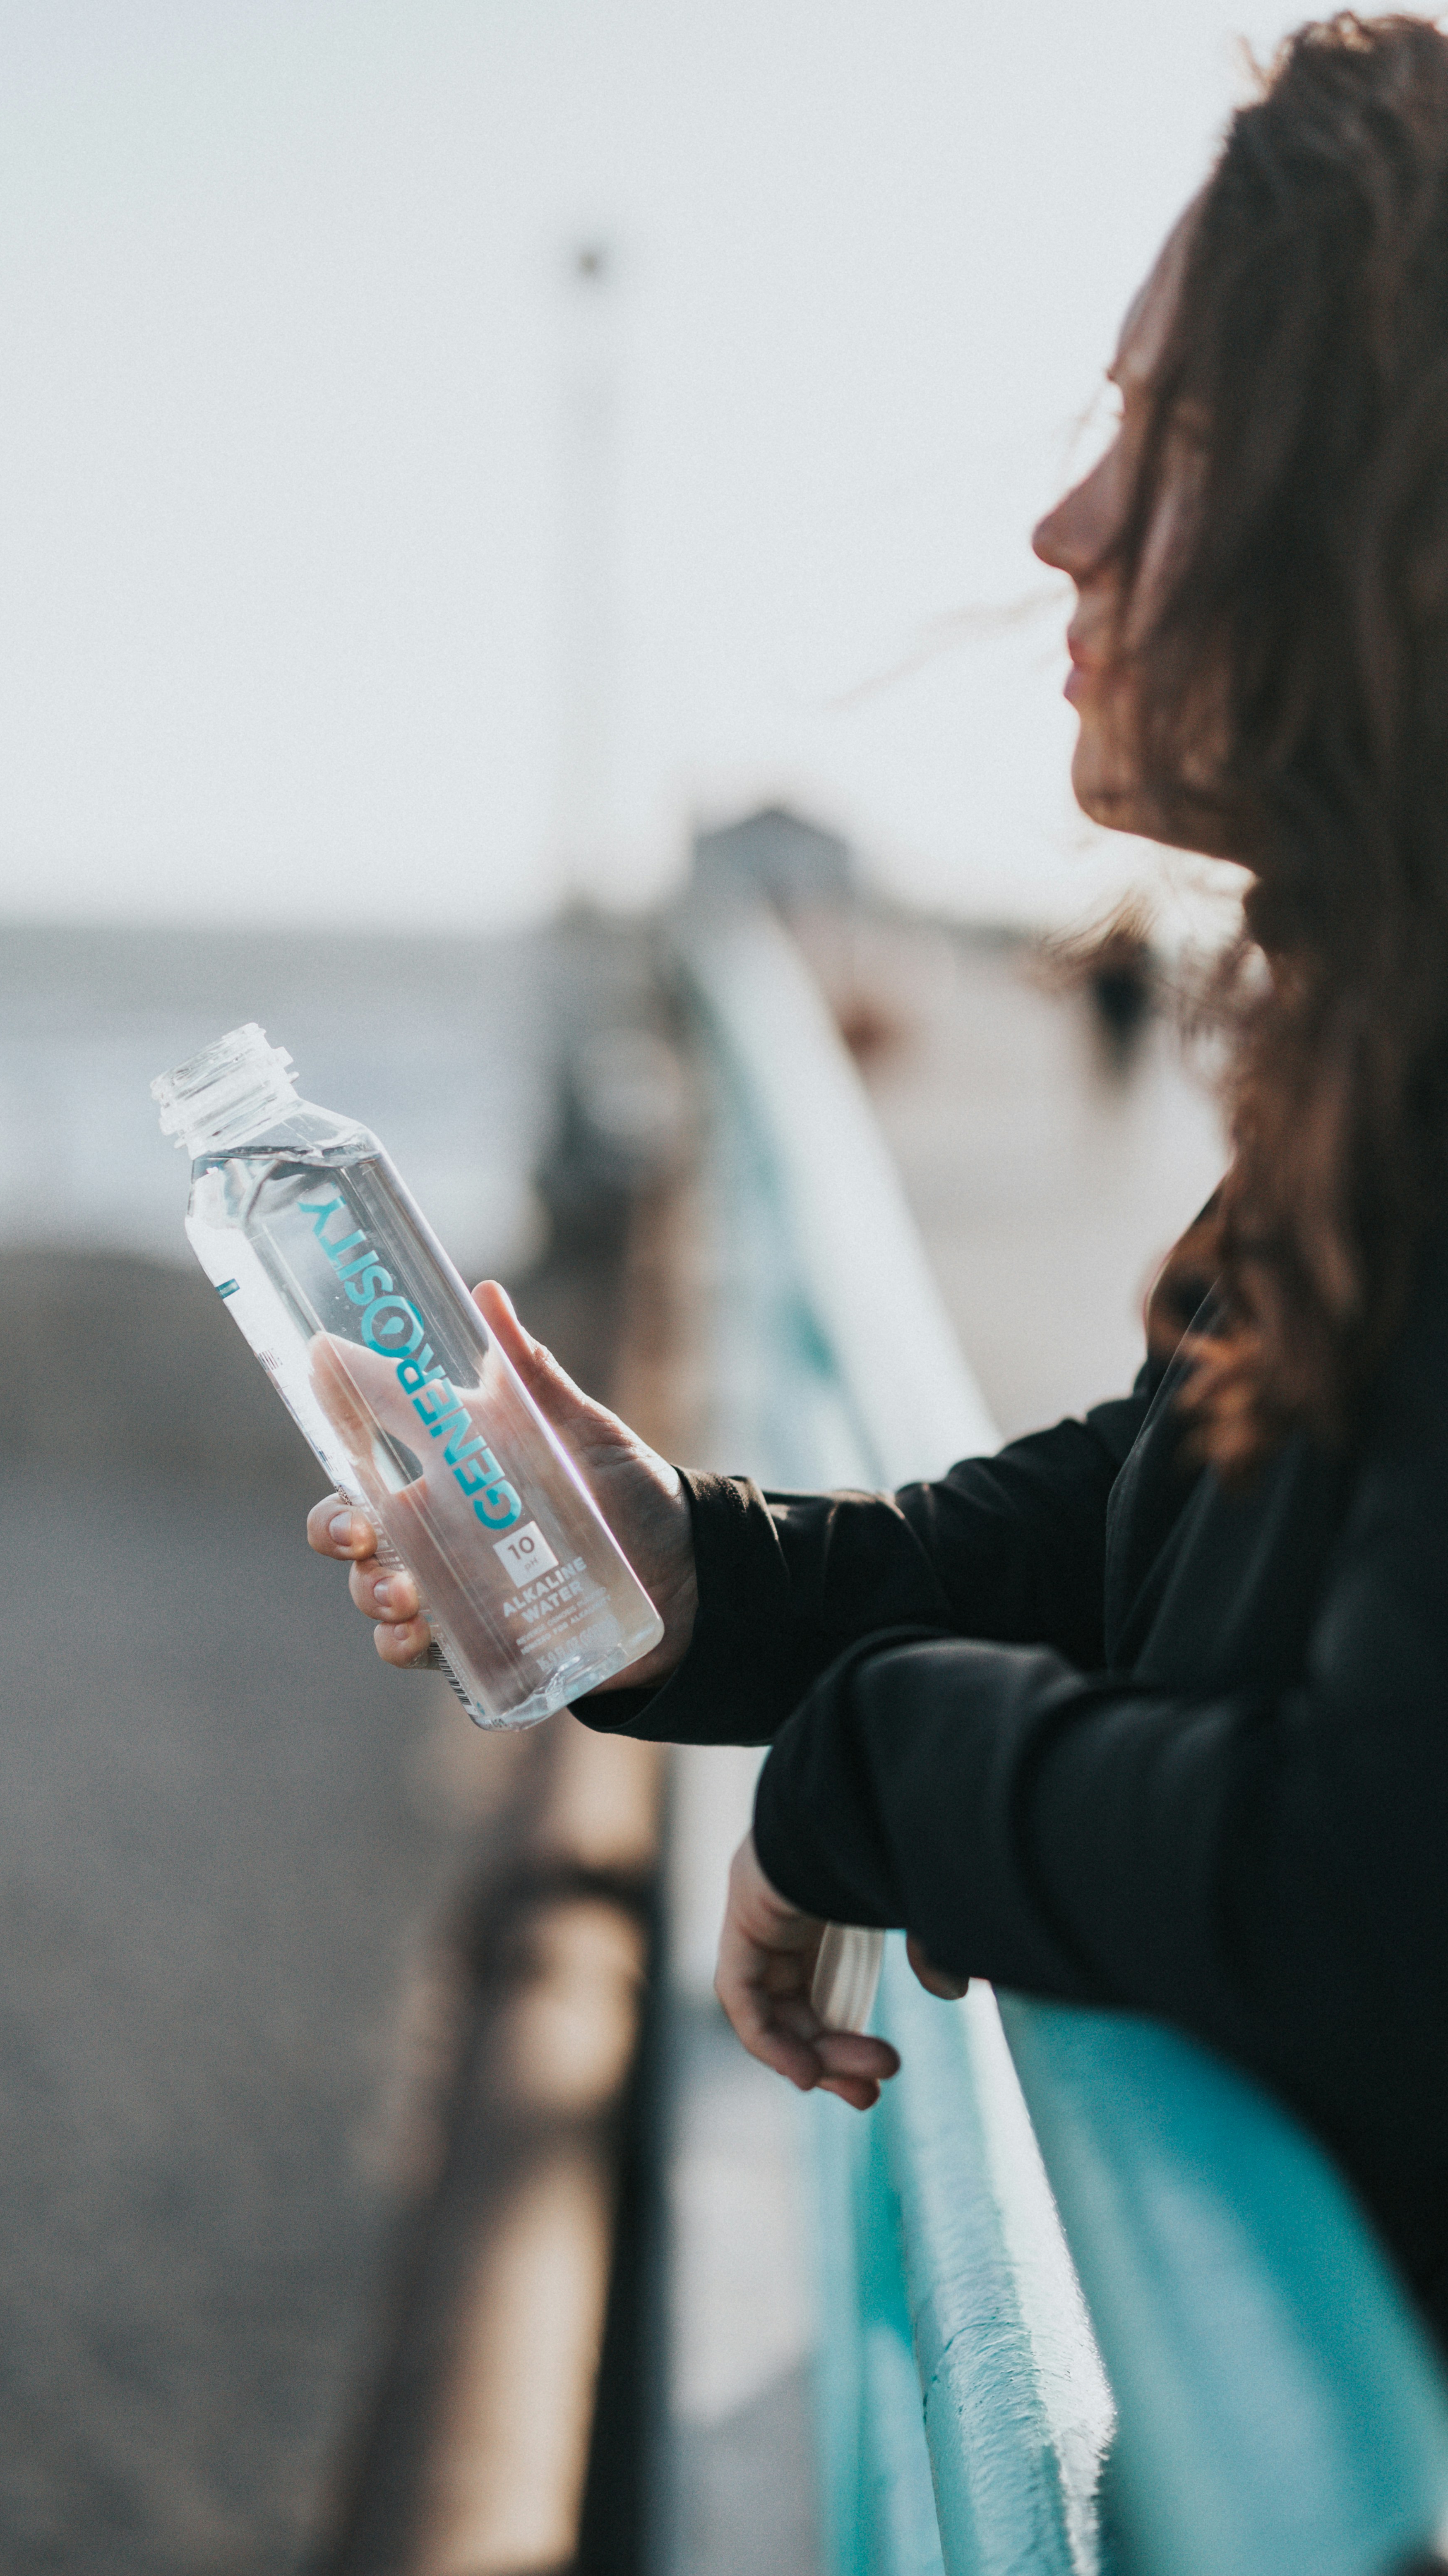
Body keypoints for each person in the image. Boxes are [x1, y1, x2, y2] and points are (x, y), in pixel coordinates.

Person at [310, 12, 1448, 2349]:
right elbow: (1161, 1511)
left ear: (1389, 525)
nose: (1065, 525)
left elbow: (1375, 1880)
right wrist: (693, 1577)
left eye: (1177, 436)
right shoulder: (1375, 1059)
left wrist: (877, 1760)